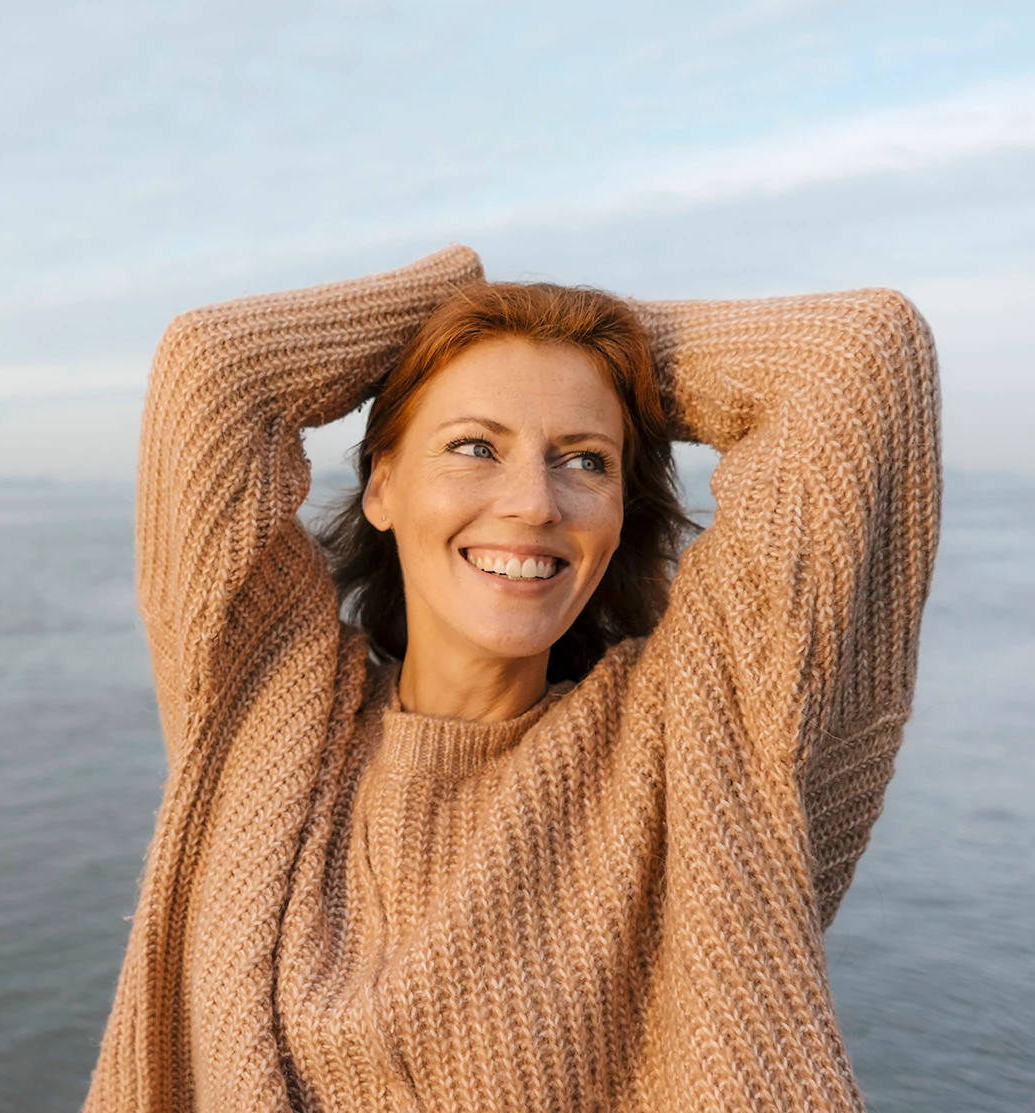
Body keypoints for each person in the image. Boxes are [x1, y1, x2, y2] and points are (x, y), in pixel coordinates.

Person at [83, 245, 942, 1112]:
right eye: (473, 446)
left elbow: (858, 352)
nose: (535, 501)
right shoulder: (268, 713)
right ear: (383, 486)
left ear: (617, 517)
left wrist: (596, 335)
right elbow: (216, 368)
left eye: (585, 460)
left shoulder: (705, 732)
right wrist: (461, 286)